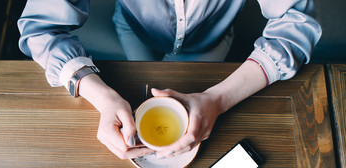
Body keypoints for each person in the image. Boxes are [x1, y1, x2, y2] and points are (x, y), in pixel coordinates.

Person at [18, 0, 322, 159]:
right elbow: (41, 29)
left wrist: (216, 100)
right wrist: (101, 95)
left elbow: (297, 24)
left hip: (210, 43)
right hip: (134, 31)